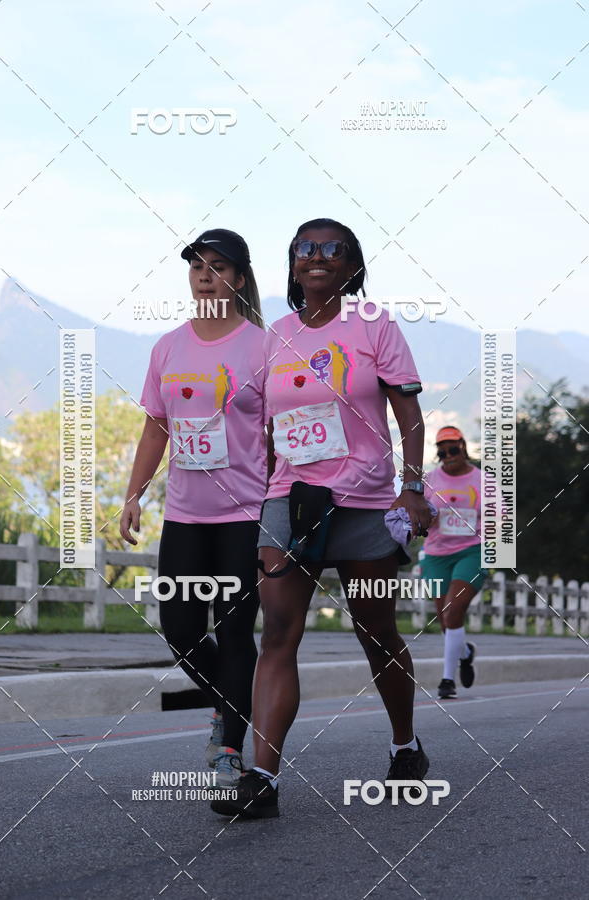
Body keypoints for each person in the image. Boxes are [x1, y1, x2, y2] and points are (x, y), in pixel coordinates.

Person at [211, 217, 433, 819]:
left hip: (363, 503)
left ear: (351, 264)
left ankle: (405, 744)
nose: (317, 256)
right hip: (289, 500)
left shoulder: (373, 325)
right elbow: (255, 428)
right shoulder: (271, 337)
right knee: (279, 633)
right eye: (305, 247)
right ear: (290, 264)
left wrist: (412, 487)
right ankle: (262, 778)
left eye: (332, 248)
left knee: (376, 632)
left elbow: (408, 415)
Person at [120, 228, 267, 785]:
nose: (205, 275)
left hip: (244, 514)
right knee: (180, 629)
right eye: (197, 266)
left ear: (240, 278)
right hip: (184, 513)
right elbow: (156, 428)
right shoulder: (169, 346)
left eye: (218, 266)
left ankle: (230, 745)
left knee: (234, 631)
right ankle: (229, 703)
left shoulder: (262, 346)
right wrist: (132, 495)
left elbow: (278, 435)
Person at [420, 426, 487, 699]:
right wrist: (426, 520)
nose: (449, 455)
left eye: (453, 449)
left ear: (463, 447)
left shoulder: (483, 481)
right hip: (436, 555)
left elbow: (500, 518)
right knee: (446, 621)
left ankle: (447, 679)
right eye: (443, 451)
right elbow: (417, 518)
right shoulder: (429, 480)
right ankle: (465, 652)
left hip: (471, 551)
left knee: (453, 610)